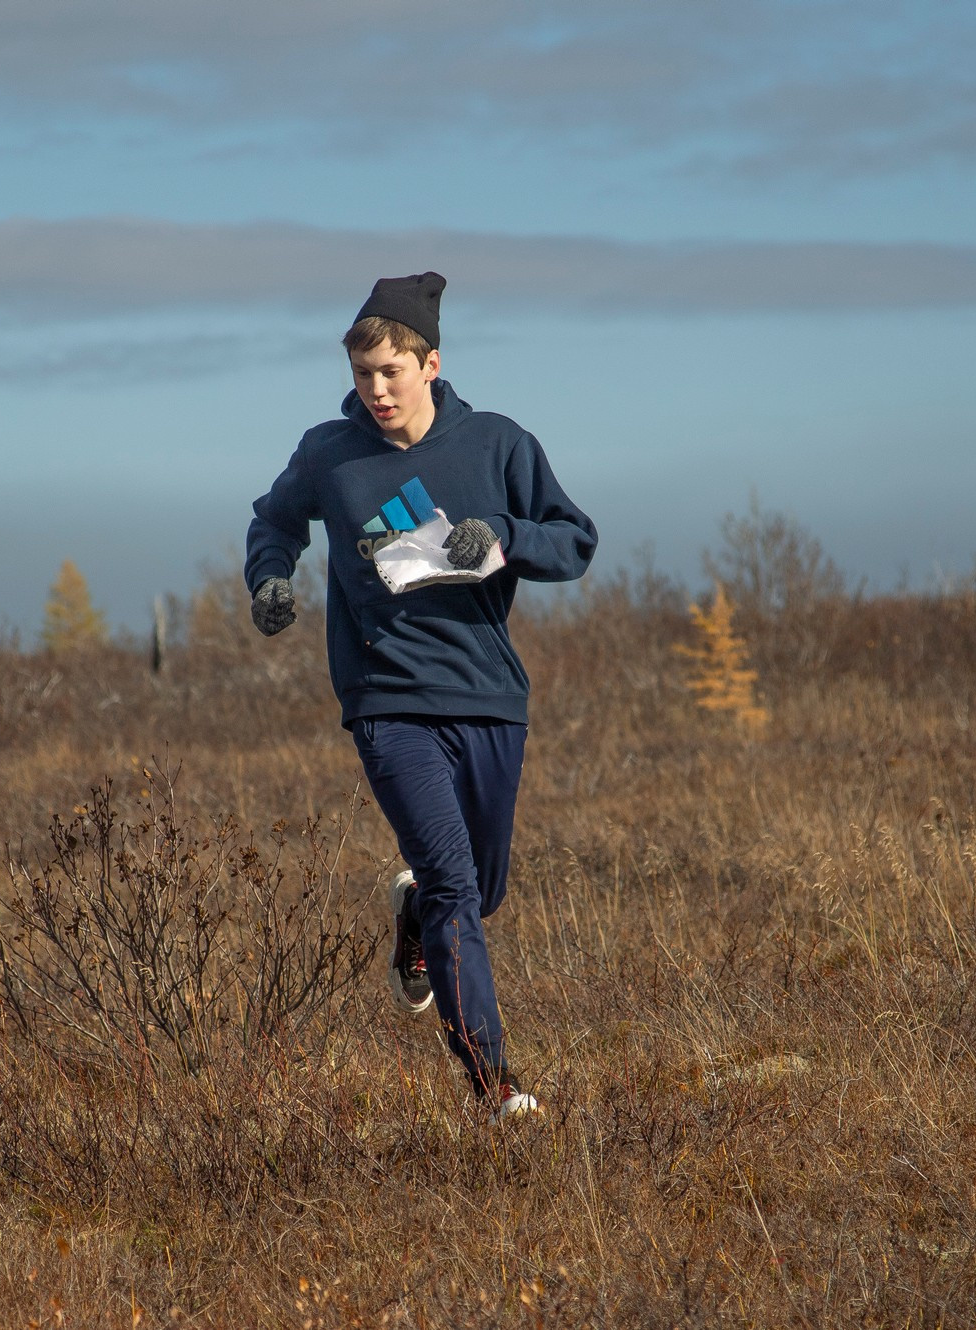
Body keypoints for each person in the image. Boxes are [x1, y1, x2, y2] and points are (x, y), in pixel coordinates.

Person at [244, 274, 596, 1121]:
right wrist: (270, 581)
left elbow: (574, 541)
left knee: (477, 890)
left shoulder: (497, 446)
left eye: (392, 373)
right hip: (386, 696)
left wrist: (504, 538)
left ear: (431, 364)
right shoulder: (331, 453)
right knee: (451, 883)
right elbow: (273, 521)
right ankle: (494, 1083)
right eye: (364, 375)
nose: (377, 392)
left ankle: (415, 924)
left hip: (487, 694)